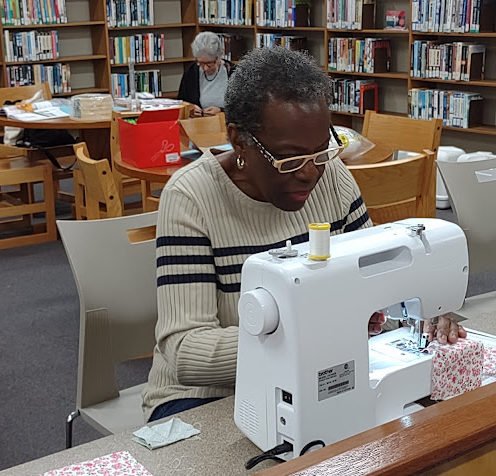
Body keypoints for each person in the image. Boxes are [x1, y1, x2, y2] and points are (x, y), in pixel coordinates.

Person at [143, 47, 466, 422]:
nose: (309, 173)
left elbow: (384, 281)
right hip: (206, 398)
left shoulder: (333, 179)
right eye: (290, 159)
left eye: (319, 153)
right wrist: (316, 335)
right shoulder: (191, 198)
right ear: (239, 140)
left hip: (317, 377)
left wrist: (426, 312)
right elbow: (187, 351)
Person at [178, 31, 235, 117]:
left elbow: (244, 108)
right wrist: (190, 108)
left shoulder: (234, 73)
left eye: (209, 63)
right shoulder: (191, 72)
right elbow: (181, 102)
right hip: (197, 124)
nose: (205, 68)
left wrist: (222, 111)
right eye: (201, 63)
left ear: (220, 55)